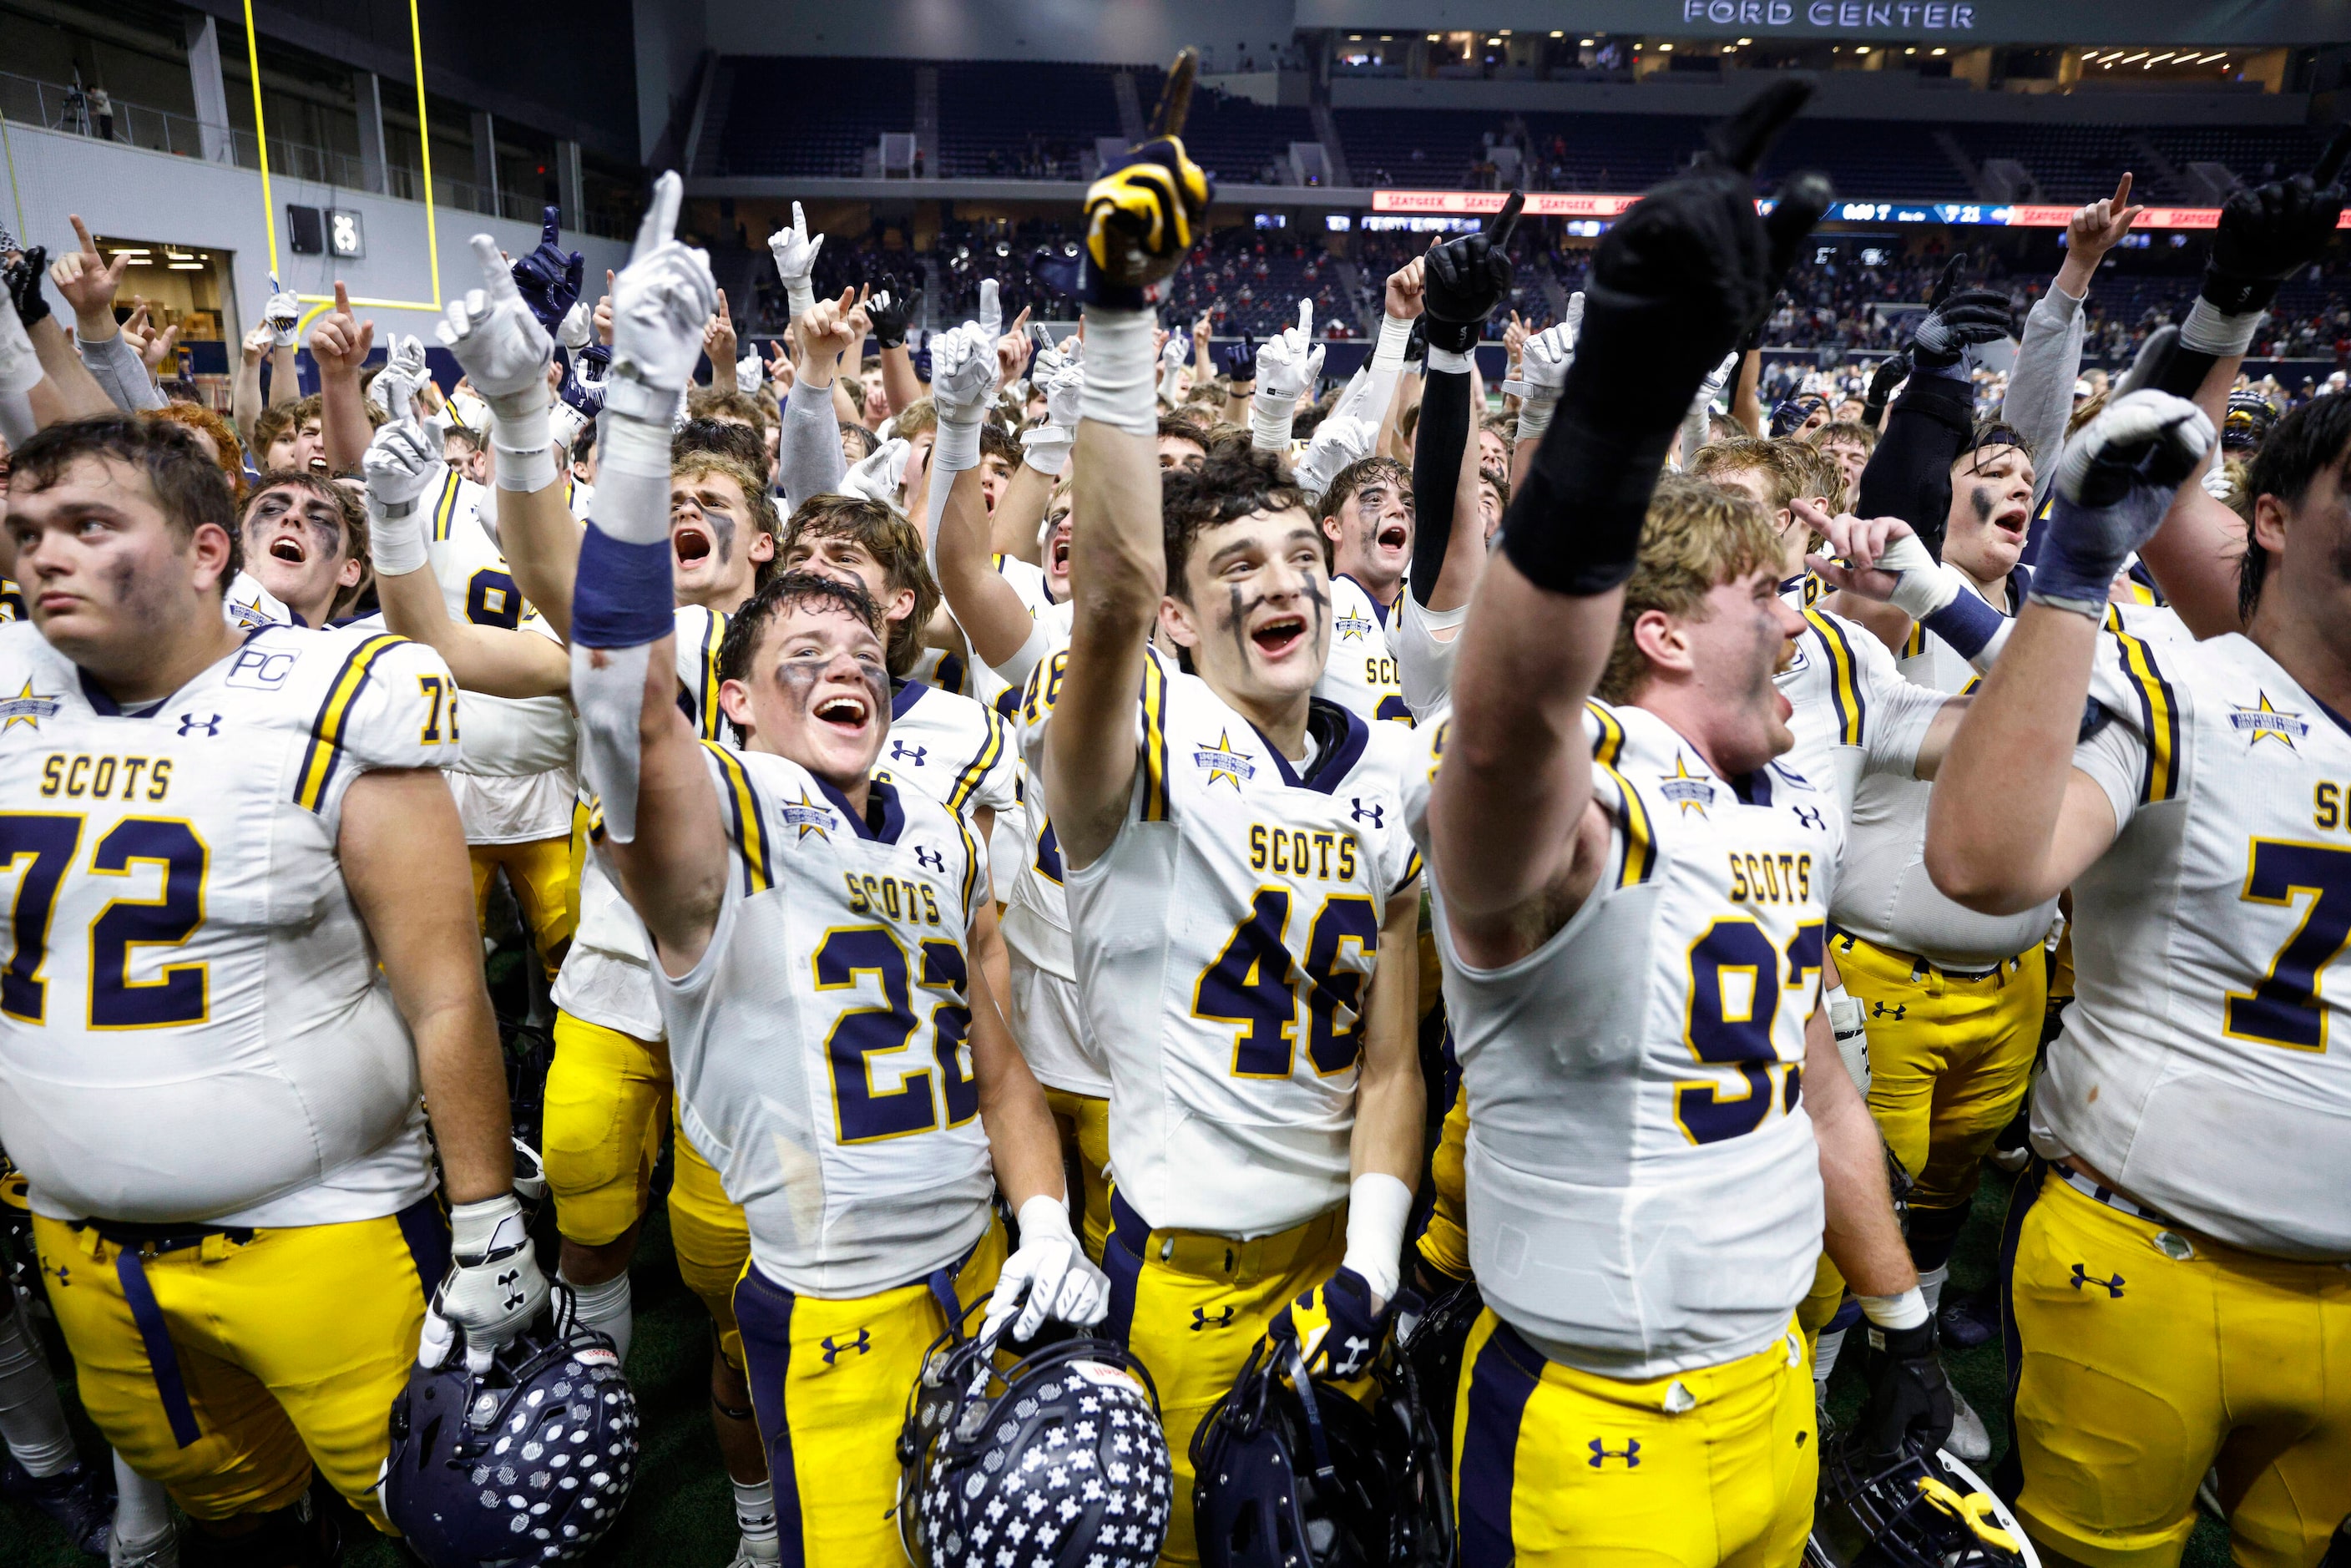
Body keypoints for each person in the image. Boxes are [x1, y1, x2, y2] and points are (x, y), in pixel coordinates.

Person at [1421, 84, 1951, 1562]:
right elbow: (1508, 724)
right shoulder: (1588, 789)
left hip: (1775, 1391)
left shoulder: (1771, 805)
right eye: (1770, 596)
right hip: (1595, 1431)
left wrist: (1900, 1319)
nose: (1805, 619)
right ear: (1656, 634)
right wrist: (1617, 397)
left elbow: (1814, 1087)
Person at [566, 175, 1105, 1565]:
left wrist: (1042, 1217)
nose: (842, 663)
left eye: (861, 652)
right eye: (798, 657)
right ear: (733, 702)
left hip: (982, 1270)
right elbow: (620, 695)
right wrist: (635, 411)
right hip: (837, 1300)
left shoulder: (927, 818)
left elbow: (993, 1056)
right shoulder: (723, 824)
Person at [0, 413, 544, 1565]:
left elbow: (448, 988)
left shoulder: (336, 689)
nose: (44, 552)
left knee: (434, 1511)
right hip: (86, 1252)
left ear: (207, 551)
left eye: (89, 524)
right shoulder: (10, 687)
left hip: (323, 1226)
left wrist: (490, 1217)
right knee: (235, 1517)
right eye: (26, 528)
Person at [1047, 132, 1427, 1561]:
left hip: (1340, 1253)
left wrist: (1378, 1258)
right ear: (1181, 623)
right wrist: (1118, 313)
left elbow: (1393, 1058)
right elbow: (1106, 592)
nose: (1283, 585)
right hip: (1184, 1277)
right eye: (1237, 570)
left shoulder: (1387, 757)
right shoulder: (1133, 750)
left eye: (1299, 561)